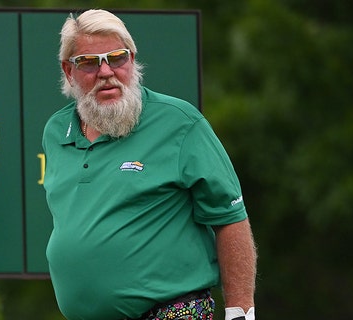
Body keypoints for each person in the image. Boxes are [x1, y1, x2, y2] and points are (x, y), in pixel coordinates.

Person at [42, 9, 257, 320]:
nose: (105, 72)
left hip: (174, 311)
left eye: (117, 58)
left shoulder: (181, 123)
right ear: (68, 71)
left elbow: (230, 218)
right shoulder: (55, 132)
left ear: (132, 58)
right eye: (88, 63)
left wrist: (241, 313)